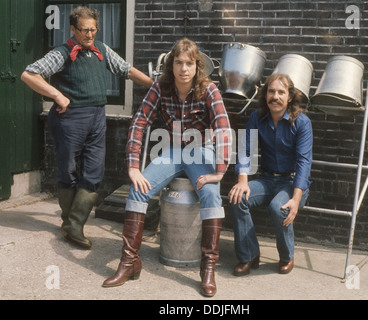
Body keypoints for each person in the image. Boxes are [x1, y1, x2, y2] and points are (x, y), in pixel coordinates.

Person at [102, 38, 232, 297]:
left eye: (190, 64)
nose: (184, 69)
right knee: (138, 190)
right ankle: (129, 262)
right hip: (172, 151)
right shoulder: (160, 88)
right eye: (179, 63)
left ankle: (208, 270)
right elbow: (139, 122)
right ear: (171, 65)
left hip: (200, 150)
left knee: (211, 194)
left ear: (197, 67)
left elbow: (223, 128)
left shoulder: (208, 89)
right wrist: (133, 167)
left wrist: (219, 170)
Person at [21, 6, 153, 249]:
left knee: (94, 171)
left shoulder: (101, 50)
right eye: (84, 30)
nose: (90, 35)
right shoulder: (61, 53)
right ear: (73, 29)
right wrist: (57, 96)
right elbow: (29, 74)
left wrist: (154, 85)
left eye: (94, 30)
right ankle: (72, 224)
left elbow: (125, 69)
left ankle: (73, 224)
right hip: (70, 118)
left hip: (97, 117)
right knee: (68, 171)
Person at [228, 73, 313, 276]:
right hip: (267, 178)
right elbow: (245, 149)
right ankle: (248, 255)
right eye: (271, 91)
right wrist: (242, 181)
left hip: (292, 182)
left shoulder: (302, 122)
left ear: (289, 97)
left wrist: (295, 198)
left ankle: (286, 256)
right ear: (266, 95)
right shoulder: (257, 117)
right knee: (238, 197)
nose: (275, 96)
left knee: (279, 208)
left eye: (281, 92)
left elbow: (304, 161)